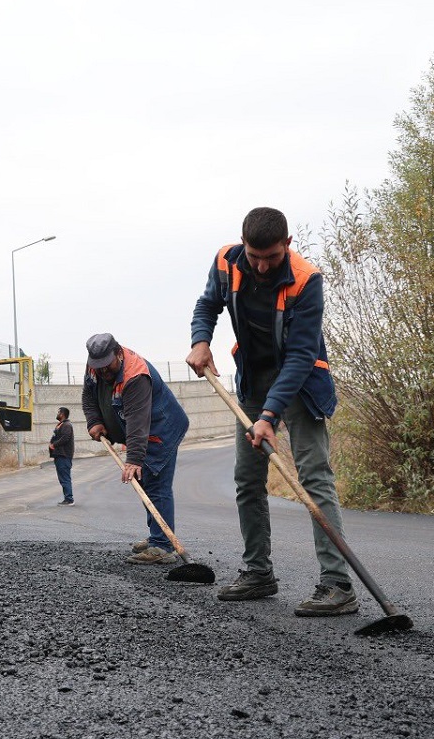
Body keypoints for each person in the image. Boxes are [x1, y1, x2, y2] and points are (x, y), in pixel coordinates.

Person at [187, 206, 358, 617]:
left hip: (300, 383)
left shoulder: (306, 280)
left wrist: (269, 417)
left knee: (314, 477)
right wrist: (201, 340)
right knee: (247, 478)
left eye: (272, 257)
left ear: (288, 244)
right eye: (254, 256)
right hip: (252, 379)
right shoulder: (226, 262)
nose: (262, 266)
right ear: (243, 243)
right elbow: (207, 304)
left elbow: (300, 356)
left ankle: (337, 584)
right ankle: (258, 572)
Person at [80, 333, 190, 564]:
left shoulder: (135, 375)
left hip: (160, 430)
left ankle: (162, 547)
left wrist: (134, 459)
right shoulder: (94, 368)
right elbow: (88, 397)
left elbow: (138, 420)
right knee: (144, 483)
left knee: (156, 484)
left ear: (118, 353)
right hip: (137, 432)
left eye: (106, 365)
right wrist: (94, 421)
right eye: (97, 366)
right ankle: (157, 537)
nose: (102, 372)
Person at [49, 406, 75, 505]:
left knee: (65, 478)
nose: (57, 414)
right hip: (59, 455)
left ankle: (69, 499)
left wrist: (53, 444)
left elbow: (65, 438)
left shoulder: (67, 425)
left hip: (64, 456)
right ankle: (67, 498)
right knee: (63, 478)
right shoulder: (61, 424)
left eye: (58, 412)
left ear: (62, 414)